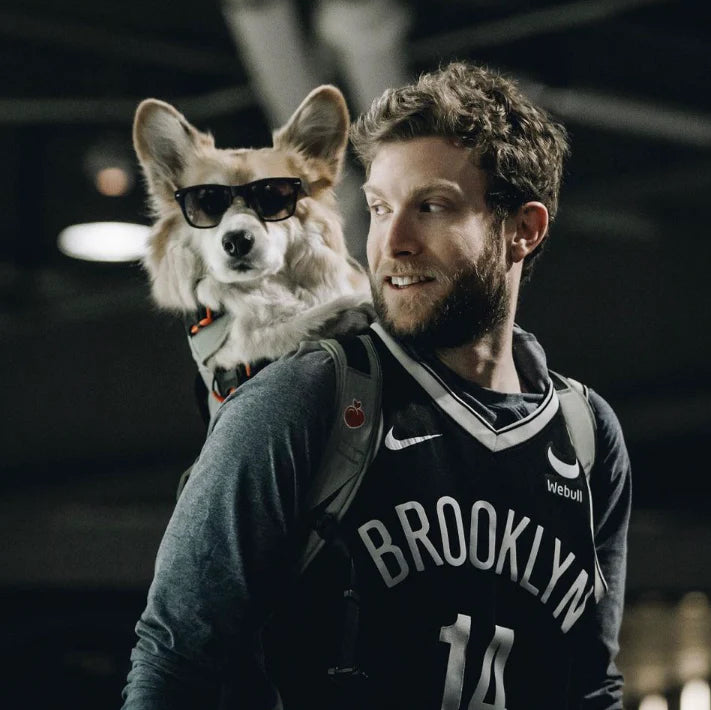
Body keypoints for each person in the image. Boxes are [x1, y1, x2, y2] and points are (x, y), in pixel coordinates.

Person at [122, 62, 631, 709]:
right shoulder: (304, 396)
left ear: (523, 230)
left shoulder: (585, 431)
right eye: (380, 207)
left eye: (432, 207)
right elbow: (175, 657)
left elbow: (590, 684)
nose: (392, 241)